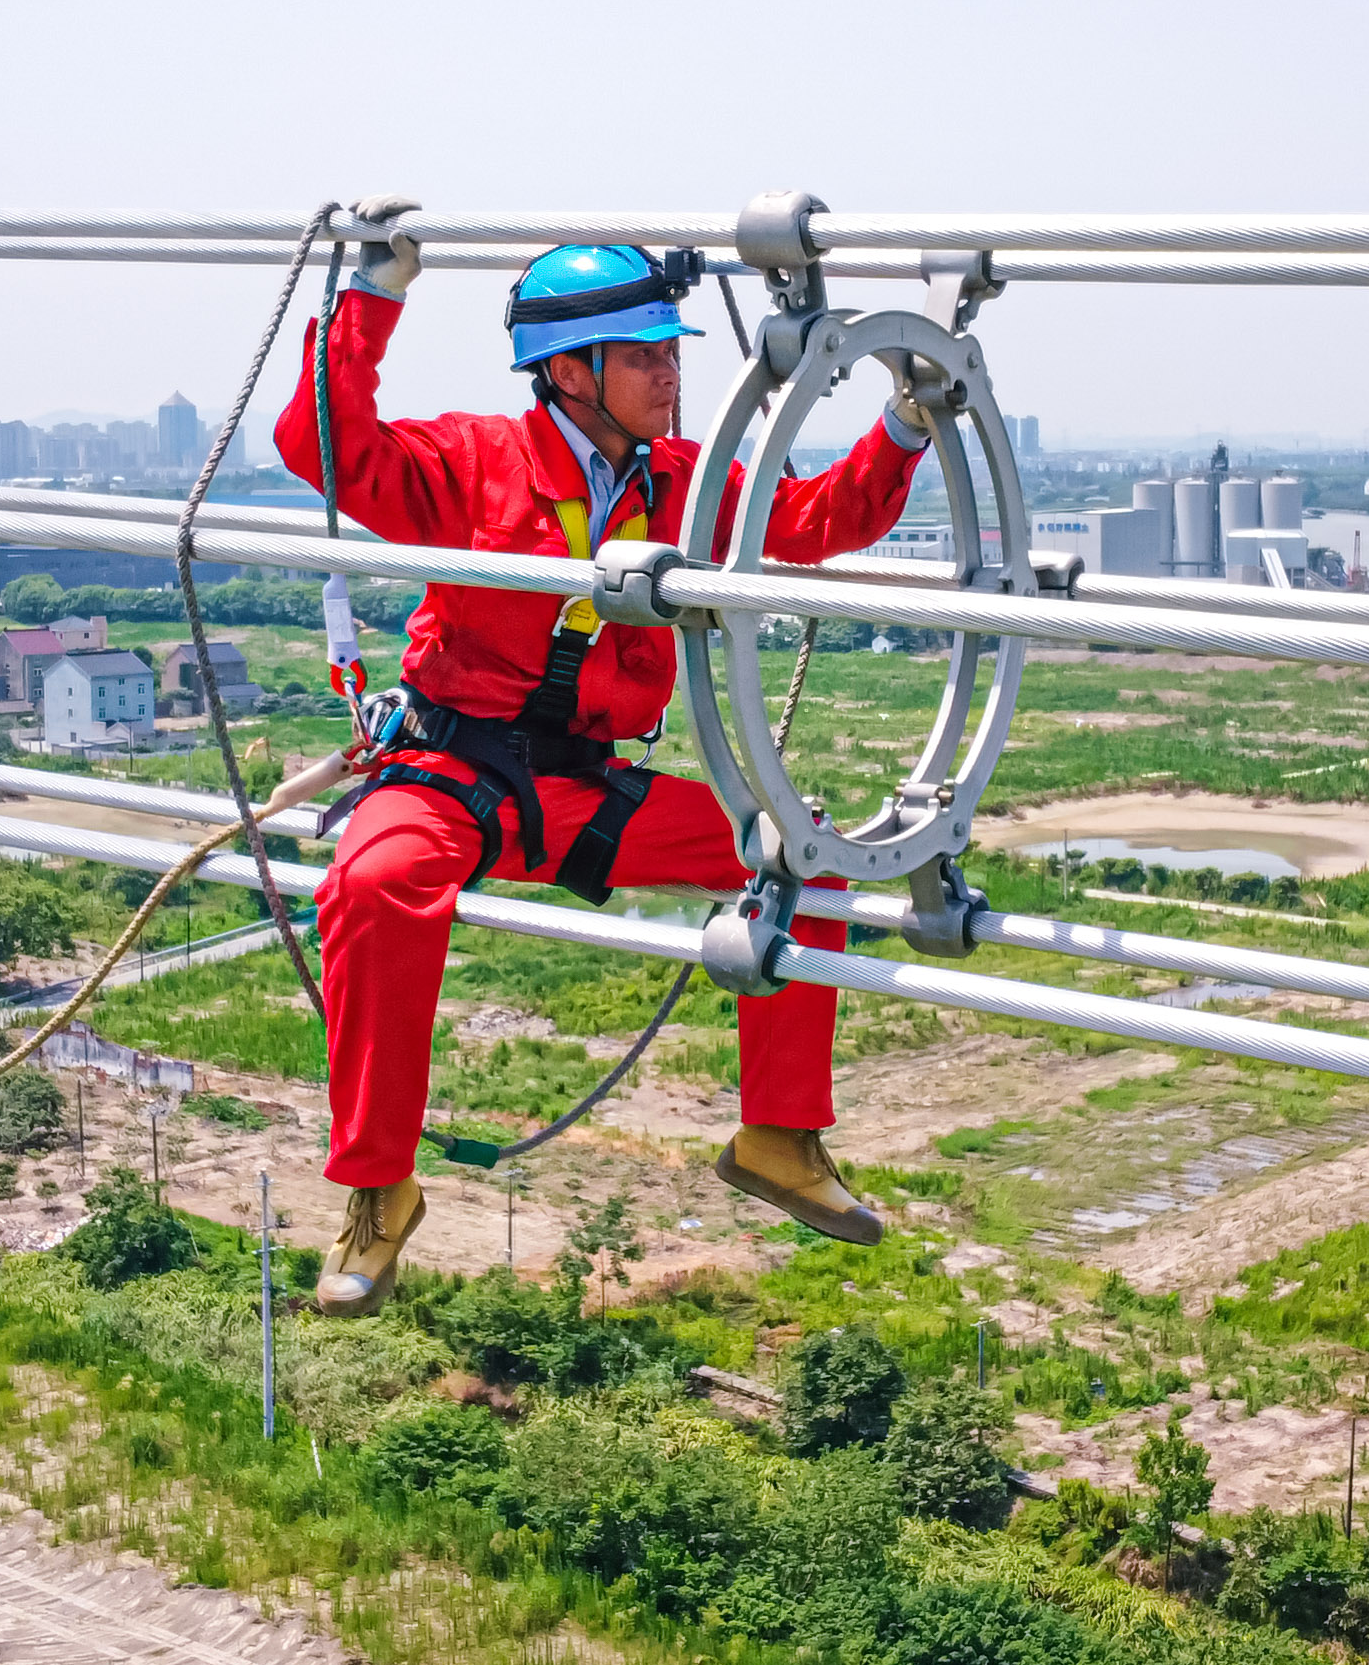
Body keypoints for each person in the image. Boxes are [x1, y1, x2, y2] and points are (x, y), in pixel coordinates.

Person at [274, 211, 937, 1312]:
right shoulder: (470, 464)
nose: (669, 376)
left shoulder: (683, 480)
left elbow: (813, 520)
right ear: (569, 374)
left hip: (582, 784)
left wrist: (906, 422)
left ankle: (778, 1136)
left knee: (800, 857)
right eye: (642, 358)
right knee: (375, 885)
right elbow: (326, 448)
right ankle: (378, 1194)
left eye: (671, 354)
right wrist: (373, 295)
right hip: (453, 771)